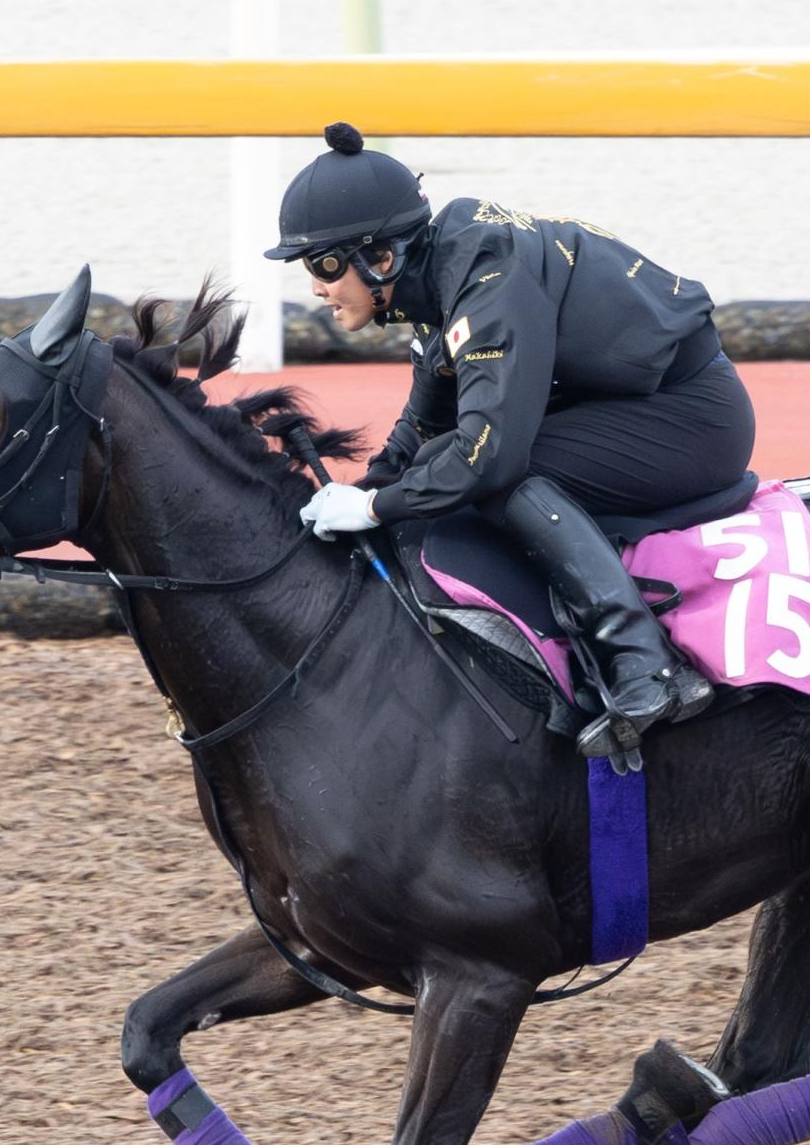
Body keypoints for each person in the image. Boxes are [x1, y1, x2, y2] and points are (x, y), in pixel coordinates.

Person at [270, 122, 756, 758]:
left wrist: (373, 507)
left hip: (693, 418)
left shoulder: (488, 277)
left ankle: (643, 663)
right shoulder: (445, 270)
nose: (315, 287)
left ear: (380, 258)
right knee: (439, 465)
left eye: (323, 264)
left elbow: (488, 456)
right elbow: (423, 425)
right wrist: (360, 495)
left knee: (499, 477)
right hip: (634, 404)